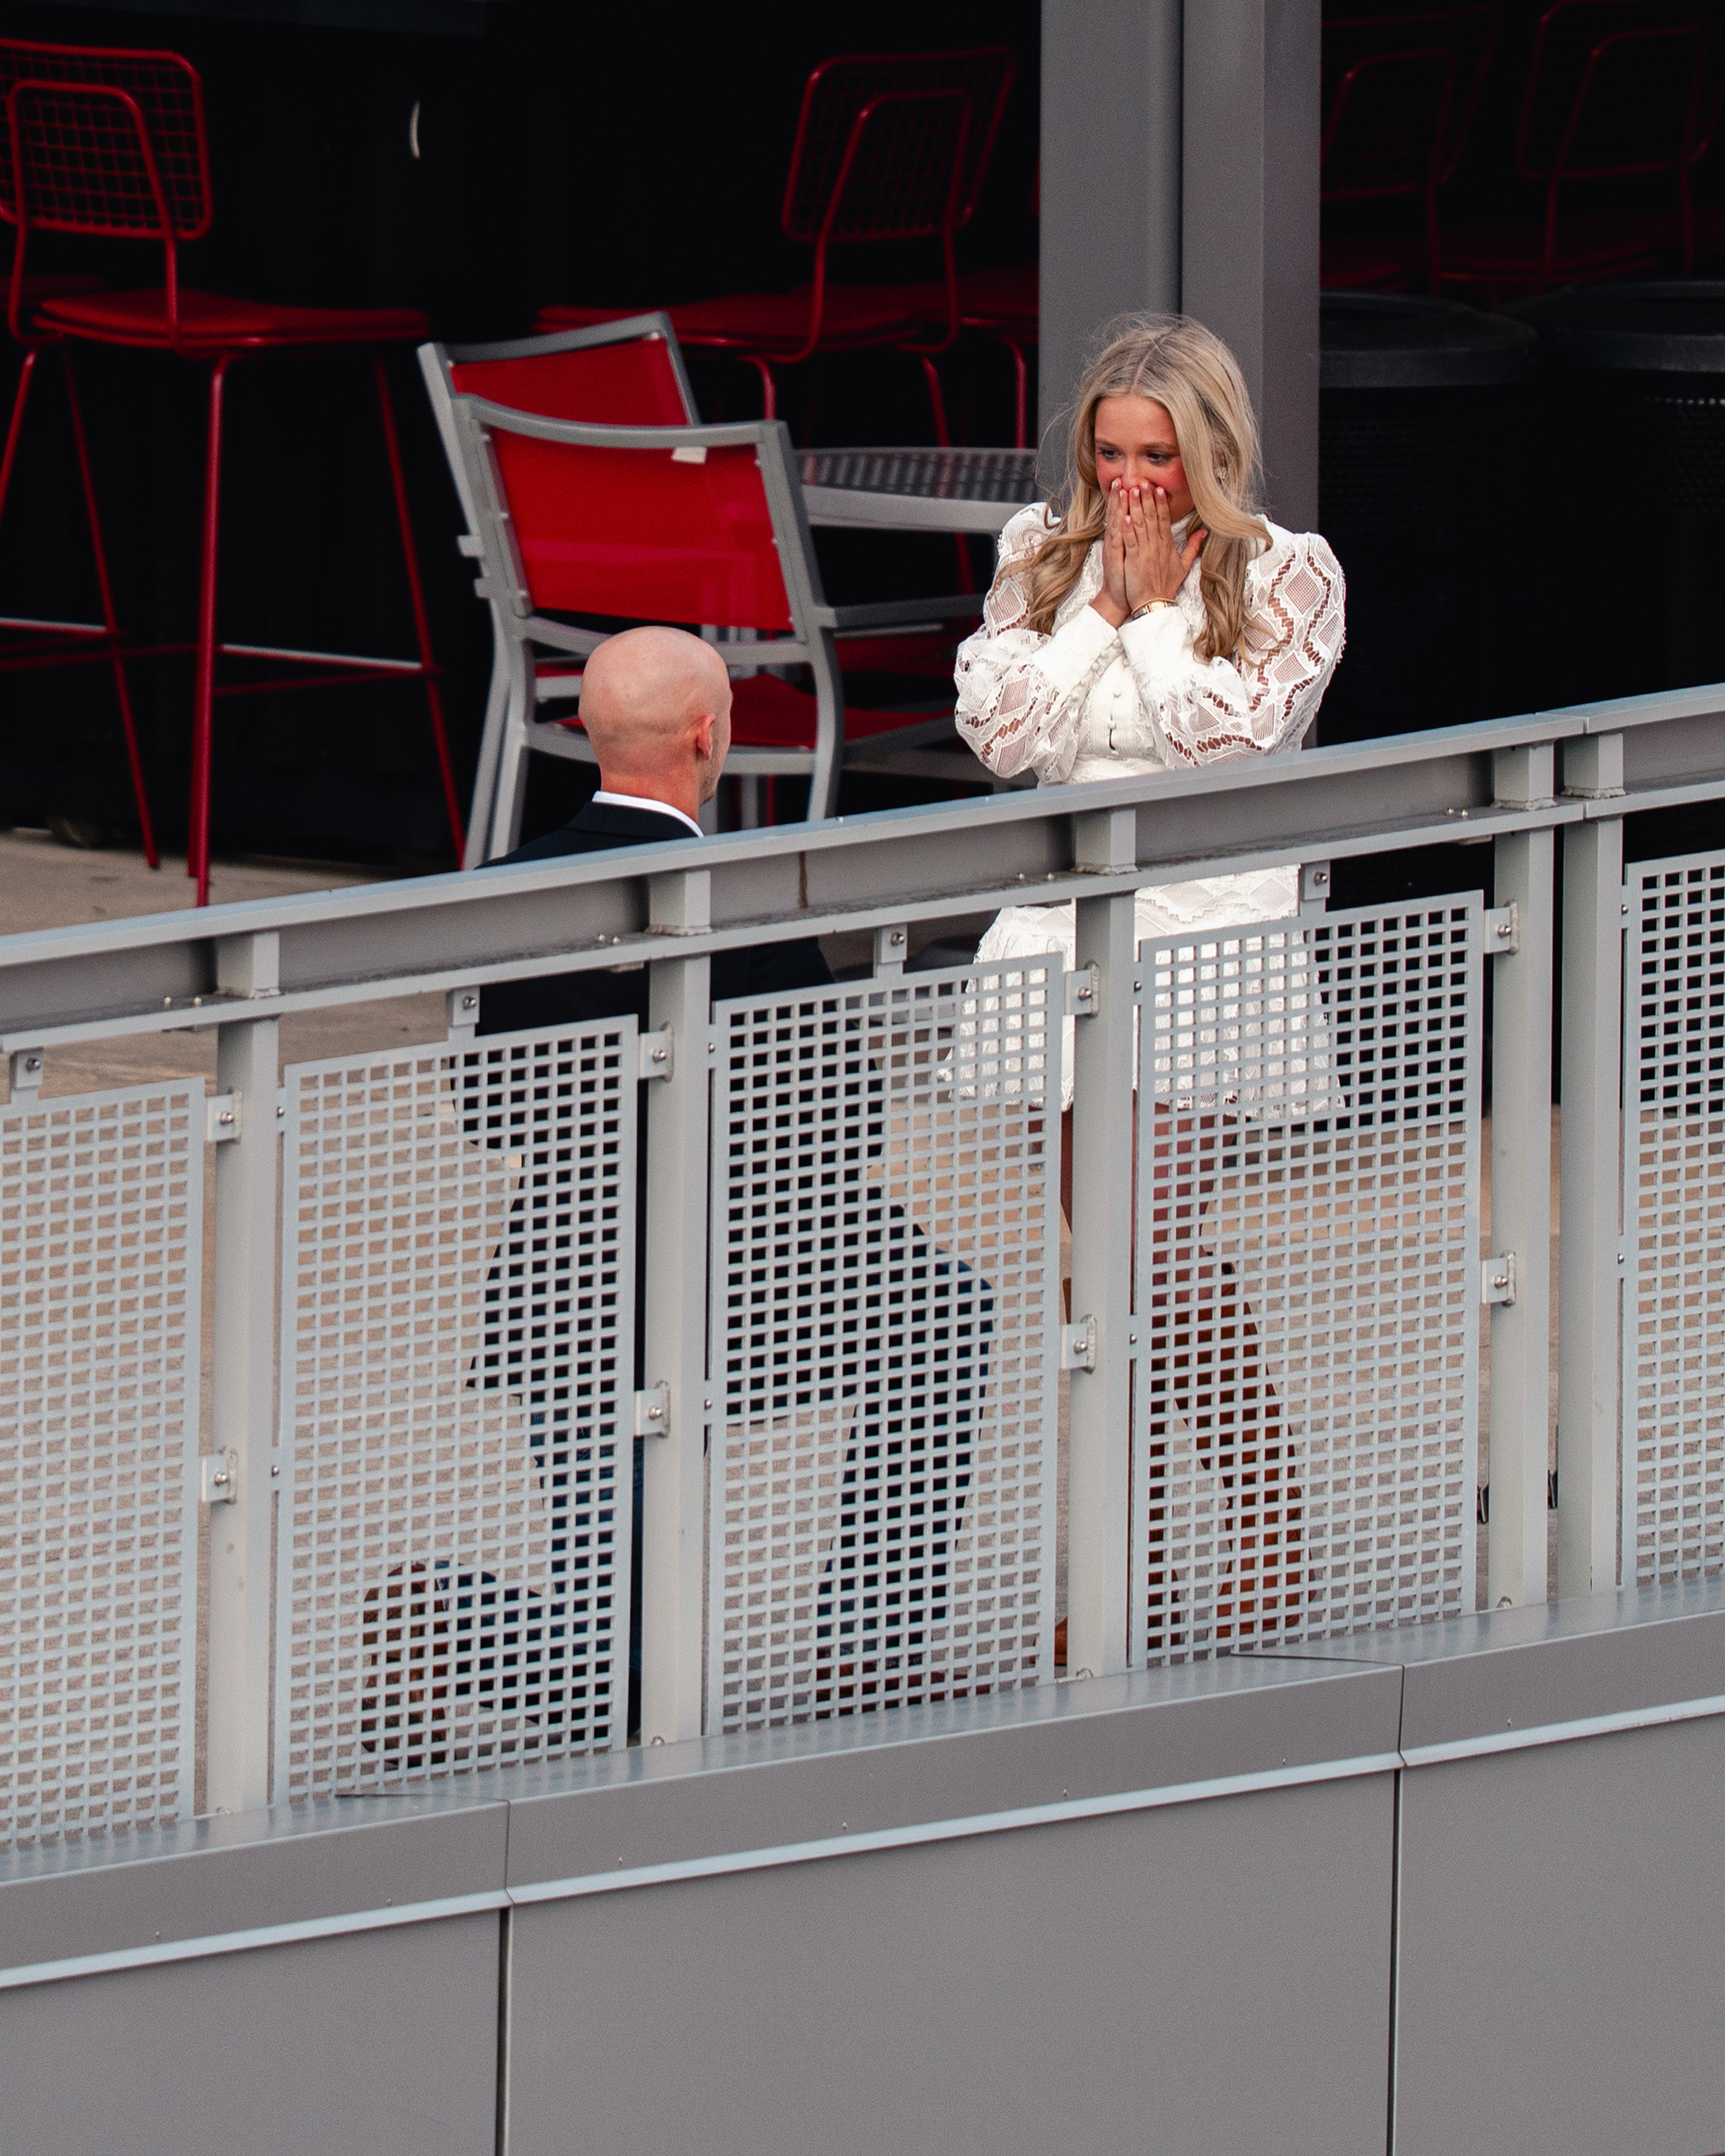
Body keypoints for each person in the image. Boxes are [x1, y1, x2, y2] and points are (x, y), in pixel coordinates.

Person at [954, 314, 1348, 1652]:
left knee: (1144, 1245)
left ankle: (1257, 1525)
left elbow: (1226, 744)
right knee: (1106, 1264)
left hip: (1206, 934)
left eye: (1158, 458)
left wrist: (1165, 612)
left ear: (1212, 455)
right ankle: (1134, 1561)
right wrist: (1106, 613)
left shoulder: (1289, 570)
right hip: (1063, 931)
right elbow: (1004, 736)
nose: (1130, 485)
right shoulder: (1040, 549)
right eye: (1111, 454)